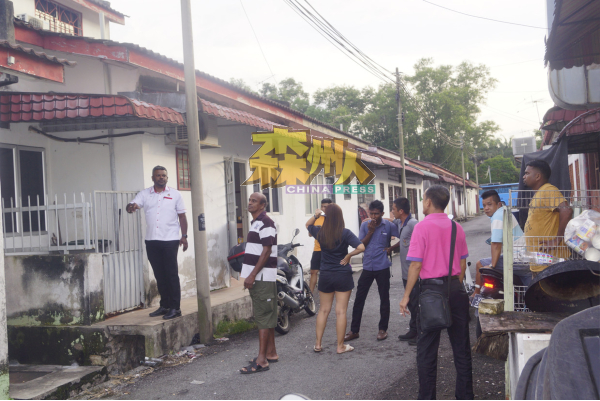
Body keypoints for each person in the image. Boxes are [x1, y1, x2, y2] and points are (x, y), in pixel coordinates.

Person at [400, 185, 473, 400]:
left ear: (429, 202)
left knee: (427, 351)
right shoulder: (456, 227)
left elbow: (415, 266)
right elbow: (462, 263)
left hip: (431, 292)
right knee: (461, 349)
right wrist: (453, 286)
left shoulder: (421, 228)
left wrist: (406, 297)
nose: (422, 203)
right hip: (455, 289)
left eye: (423, 199)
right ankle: (466, 396)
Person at [127, 166, 188, 320]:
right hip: (152, 240)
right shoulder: (145, 194)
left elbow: (182, 216)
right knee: (160, 275)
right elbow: (132, 205)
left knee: (171, 274)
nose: (161, 177)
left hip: (170, 240)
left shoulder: (175, 194)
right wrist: (131, 207)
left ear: (167, 178)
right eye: (158, 175)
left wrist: (184, 236)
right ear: (153, 178)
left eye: (164, 175)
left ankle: (175, 308)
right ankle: (165, 305)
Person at [307, 203, 365, 354]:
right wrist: (348, 255)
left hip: (326, 274)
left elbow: (307, 225)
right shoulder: (345, 233)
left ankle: (318, 344)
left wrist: (316, 215)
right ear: (340, 217)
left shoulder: (320, 232)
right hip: (342, 274)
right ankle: (340, 346)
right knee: (341, 311)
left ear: (327, 217)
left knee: (323, 310)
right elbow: (361, 247)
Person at [345, 200, 398, 342]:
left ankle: (383, 329)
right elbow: (361, 244)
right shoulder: (364, 225)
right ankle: (354, 330)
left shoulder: (389, 225)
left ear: (382, 213)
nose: (374, 216)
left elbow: (404, 235)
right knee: (359, 299)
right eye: (371, 213)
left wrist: (392, 248)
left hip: (383, 266)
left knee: (384, 298)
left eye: (376, 214)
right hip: (368, 266)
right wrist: (370, 231)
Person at [239, 192, 278, 374]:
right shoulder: (256, 222)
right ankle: (271, 353)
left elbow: (266, 251)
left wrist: (252, 275)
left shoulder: (266, 222)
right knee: (266, 316)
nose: (250, 203)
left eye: (254, 201)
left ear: (262, 205)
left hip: (262, 277)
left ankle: (261, 361)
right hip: (258, 278)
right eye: (250, 200)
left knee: (263, 317)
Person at [474, 190, 531, 295]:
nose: (486, 208)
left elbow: (496, 244)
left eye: (489, 204)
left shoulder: (497, 217)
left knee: (479, 264)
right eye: (484, 205)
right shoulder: (505, 211)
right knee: (529, 292)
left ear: (498, 204)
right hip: (526, 259)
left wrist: (492, 265)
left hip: (516, 259)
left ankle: (475, 295)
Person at [522, 159, 572, 274]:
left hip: (551, 264)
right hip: (540, 263)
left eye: (527, 173)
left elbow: (567, 211)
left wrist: (557, 240)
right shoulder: (538, 194)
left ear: (538, 176)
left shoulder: (548, 190)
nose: (524, 177)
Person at [389, 197, 419, 345]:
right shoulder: (400, 223)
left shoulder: (413, 224)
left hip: (414, 273)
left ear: (401, 211)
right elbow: (389, 221)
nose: (392, 211)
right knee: (412, 304)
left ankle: (420, 334)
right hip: (405, 272)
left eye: (393, 209)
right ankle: (413, 330)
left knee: (417, 303)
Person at [307, 198, 333, 294]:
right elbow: (310, 233)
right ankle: (309, 295)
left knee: (327, 272)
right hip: (317, 249)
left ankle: (330, 291)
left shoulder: (334, 218)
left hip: (329, 249)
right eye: (322, 206)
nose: (323, 208)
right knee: (313, 271)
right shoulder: (317, 218)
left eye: (325, 207)